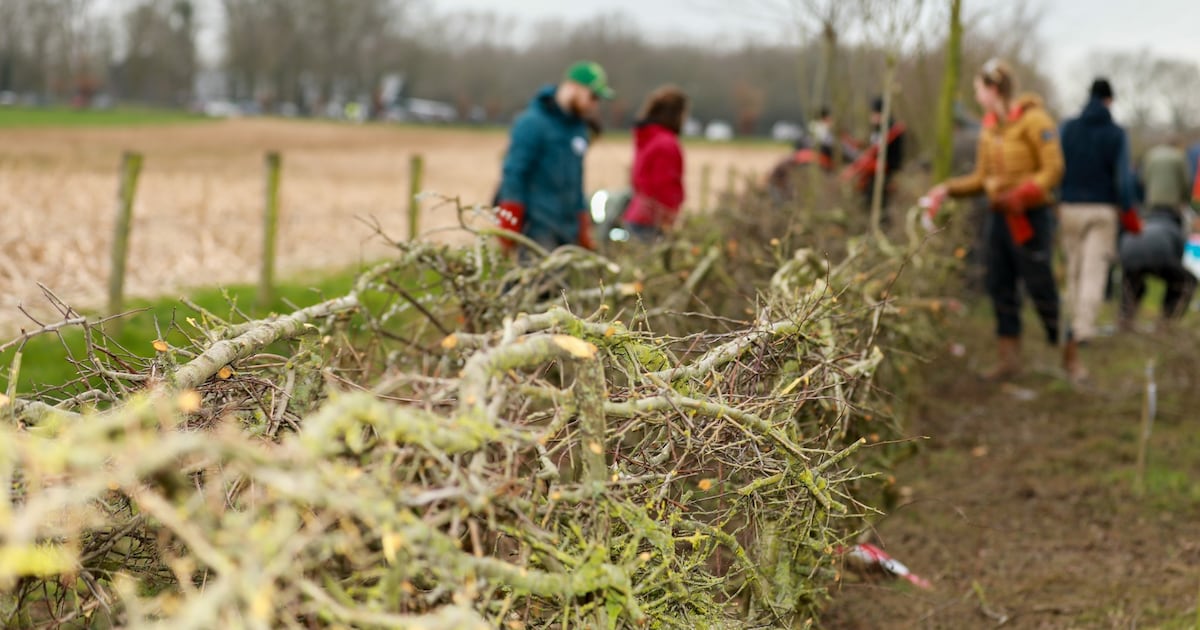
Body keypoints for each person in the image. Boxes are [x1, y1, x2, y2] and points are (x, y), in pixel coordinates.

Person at [926, 59, 1065, 381]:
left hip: (1030, 217)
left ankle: (1068, 356)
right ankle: (1009, 361)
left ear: (993, 88)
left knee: (1041, 285)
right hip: (999, 218)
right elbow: (981, 178)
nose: (976, 95)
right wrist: (947, 189)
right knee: (999, 285)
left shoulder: (1035, 120)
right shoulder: (989, 128)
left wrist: (1024, 193)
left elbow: (1053, 169)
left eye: (978, 88)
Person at [1056, 78, 1138, 382]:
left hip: (1069, 206)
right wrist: (1126, 206)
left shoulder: (1068, 127)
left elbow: (1057, 164)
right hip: (1103, 208)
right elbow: (1123, 177)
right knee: (1094, 271)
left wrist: (1058, 197)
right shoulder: (1117, 134)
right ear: (1109, 100)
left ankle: (1070, 322)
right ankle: (1083, 329)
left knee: (1074, 268)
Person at [495, 61, 613, 259]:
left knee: (564, 288)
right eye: (592, 96)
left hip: (567, 230)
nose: (594, 104)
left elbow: (576, 179)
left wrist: (582, 220)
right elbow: (514, 172)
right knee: (537, 285)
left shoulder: (578, 130)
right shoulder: (532, 123)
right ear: (573, 87)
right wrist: (511, 214)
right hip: (537, 228)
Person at [1118, 137, 1197, 328]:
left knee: (1133, 280)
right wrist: (1185, 201)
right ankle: (1167, 321)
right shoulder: (1179, 158)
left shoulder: (1150, 156)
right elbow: (1186, 183)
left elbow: (1141, 180)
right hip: (1165, 233)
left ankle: (1125, 319)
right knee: (1186, 281)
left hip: (1128, 252)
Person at [621, 85, 687, 243]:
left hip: (638, 214)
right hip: (652, 222)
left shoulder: (648, 137)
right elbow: (664, 185)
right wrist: (668, 218)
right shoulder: (666, 143)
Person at [842, 96, 906, 222]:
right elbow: (872, 147)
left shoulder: (892, 130)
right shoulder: (878, 130)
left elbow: (882, 151)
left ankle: (881, 225)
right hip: (873, 172)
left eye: (875, 114)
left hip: (885, 170)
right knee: (867, 197)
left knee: (879, 200)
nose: (872, 117)